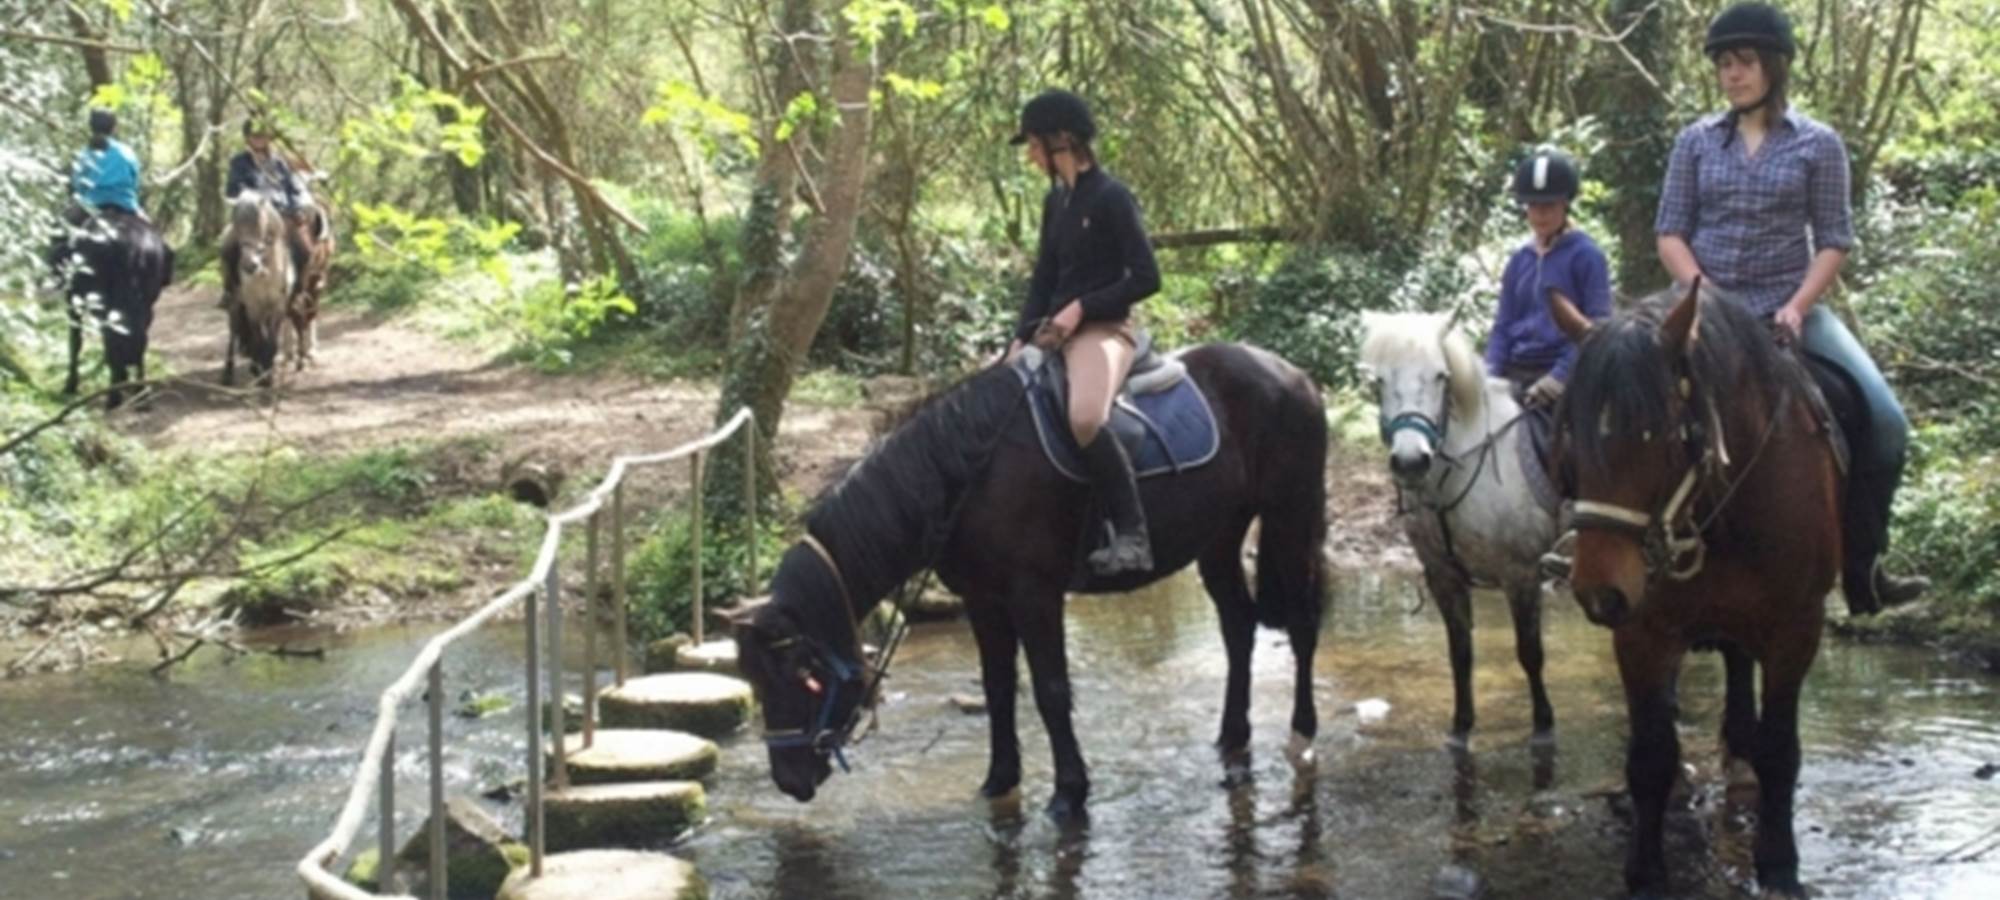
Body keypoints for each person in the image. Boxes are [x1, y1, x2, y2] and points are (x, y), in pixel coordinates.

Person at [1654, 1, 1926, 613]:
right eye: (1724, 63)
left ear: (1774, 66)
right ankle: (1594, 543)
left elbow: (1834, 237)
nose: (1732, 74)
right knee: (1618, 392)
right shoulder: (1694, 143)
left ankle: (1863, 568)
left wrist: (1800, 305)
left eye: (1744, 61)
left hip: (1788, 308)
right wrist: (1702, 294)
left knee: (1886, 424)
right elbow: (1670, 231)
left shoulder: (1819, 145)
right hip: (1703, 308)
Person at [1005, 89, 1162, 576]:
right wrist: (1016, 341)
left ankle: (1133, 535)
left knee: (1085, 418)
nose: (1030, 156)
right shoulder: (1057, 203)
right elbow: (1043, 281)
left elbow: (1146, 277)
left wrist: (1081, 308)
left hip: (1105, 332)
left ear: (1061, 141)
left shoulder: (1112, 197)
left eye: (1033, 144)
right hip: (1055, 333)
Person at [1486, 148, 1613, 407]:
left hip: (1566, 375)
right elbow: (1503, 325)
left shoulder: (1587, 256)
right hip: (1516, 371)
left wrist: (1560, 376)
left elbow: (1597, 327)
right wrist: (1489, 373)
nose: (1540, 214)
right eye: (1533, 205)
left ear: (1565, 204)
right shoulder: (1519, 259)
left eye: (1549, 205)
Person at [220, 118, 311, 308]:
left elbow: (293, 187)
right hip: (250, 217)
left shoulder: (280, 162)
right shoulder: (239, 162)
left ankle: (298, 293)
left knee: (305, 249)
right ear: (247, 139)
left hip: (281, 215)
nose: (260, 140)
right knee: (227, 246)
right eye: (255, 137)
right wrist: (250, 197)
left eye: (263, 136)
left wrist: (297, 208)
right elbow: (233, 189)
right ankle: (231, 291)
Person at [50, 109, 145, 274]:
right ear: (114, 127)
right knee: (155, 235)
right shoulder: (127, 152)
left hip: (90, 206)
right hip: (126, 204)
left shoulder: (84, 154)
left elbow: (78, 184)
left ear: (91, 127)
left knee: (58, 233)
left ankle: (57, 277)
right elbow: (135, 180)